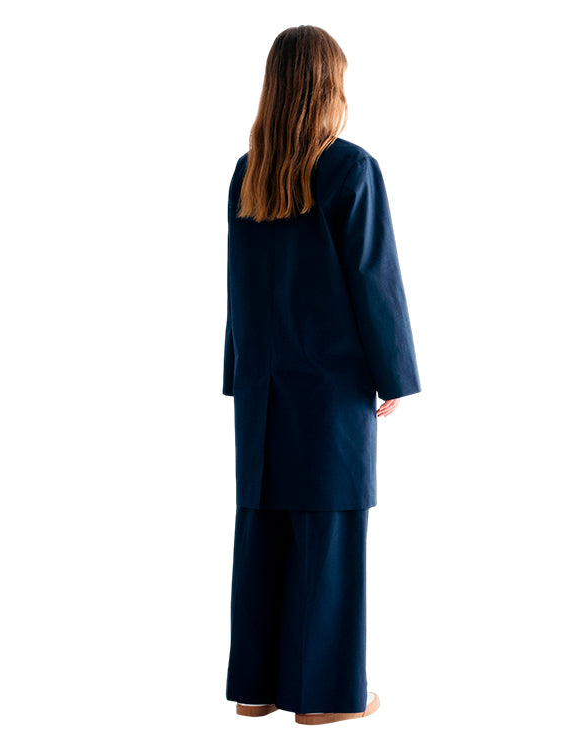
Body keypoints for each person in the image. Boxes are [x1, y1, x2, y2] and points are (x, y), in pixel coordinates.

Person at [223, 25, 421, 726]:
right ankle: (327, 699)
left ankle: (257, 690)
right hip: (330, 391)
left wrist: (239, 373)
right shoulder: (350, 168)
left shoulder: (248, 172)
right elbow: (373, 278)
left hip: (263, 390)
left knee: (264, 533)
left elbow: (239, 286)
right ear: (327, 85)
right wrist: (394, 374)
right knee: (329, 536)